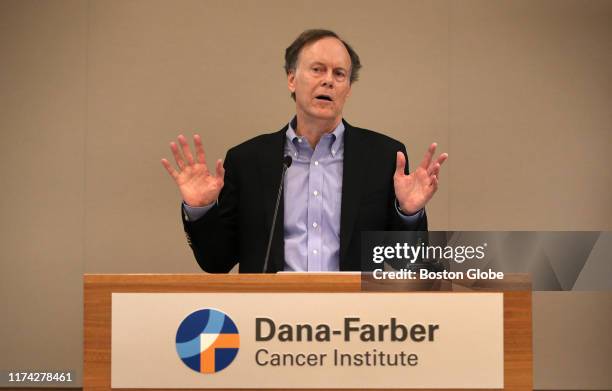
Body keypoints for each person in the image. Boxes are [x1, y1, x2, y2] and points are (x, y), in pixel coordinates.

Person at [161, 29, 447, 273]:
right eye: (317, 69)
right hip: (269, 322)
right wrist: (200, 211)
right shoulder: (247, 161)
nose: (328, 81)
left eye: (339, 74)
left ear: (348, 89)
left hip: (354, 321)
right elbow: (216, 261)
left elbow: (404, 263)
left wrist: (408, 213)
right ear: (291, 79)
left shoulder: (384, 158)